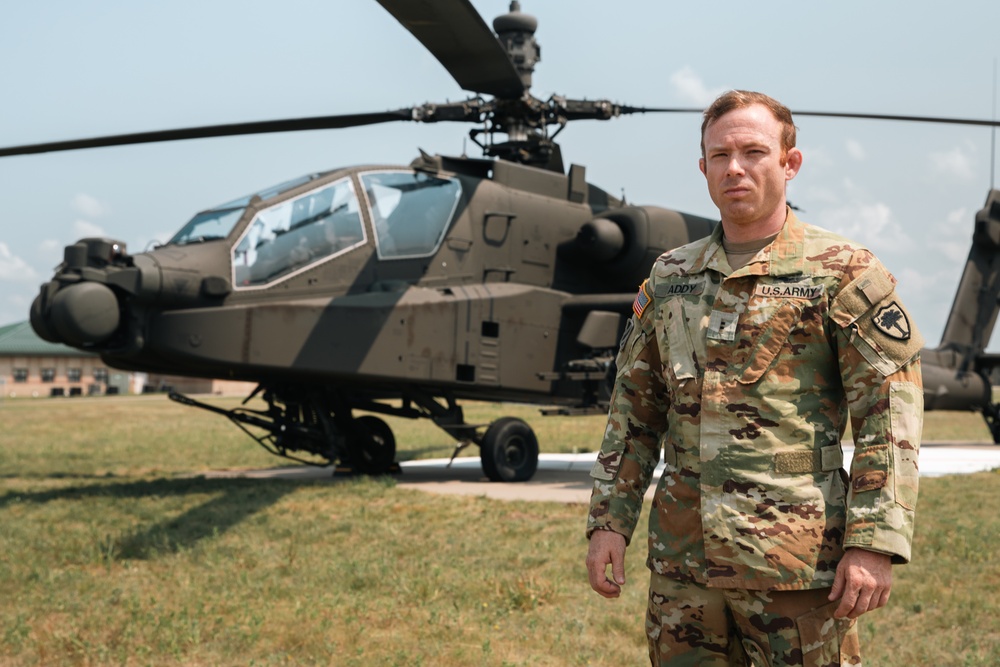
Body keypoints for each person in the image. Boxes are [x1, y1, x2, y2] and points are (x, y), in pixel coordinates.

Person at [584, 90, 923, 667]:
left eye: (753, 151)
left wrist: (874, 543)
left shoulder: (842, 271)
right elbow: (635, 411)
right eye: (720, 155)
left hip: (796, 569)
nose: (735, 168)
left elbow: (888, 412)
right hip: (683, 569)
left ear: (789, 163)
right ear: (703, 169)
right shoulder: (671, 277)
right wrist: (608, 521)